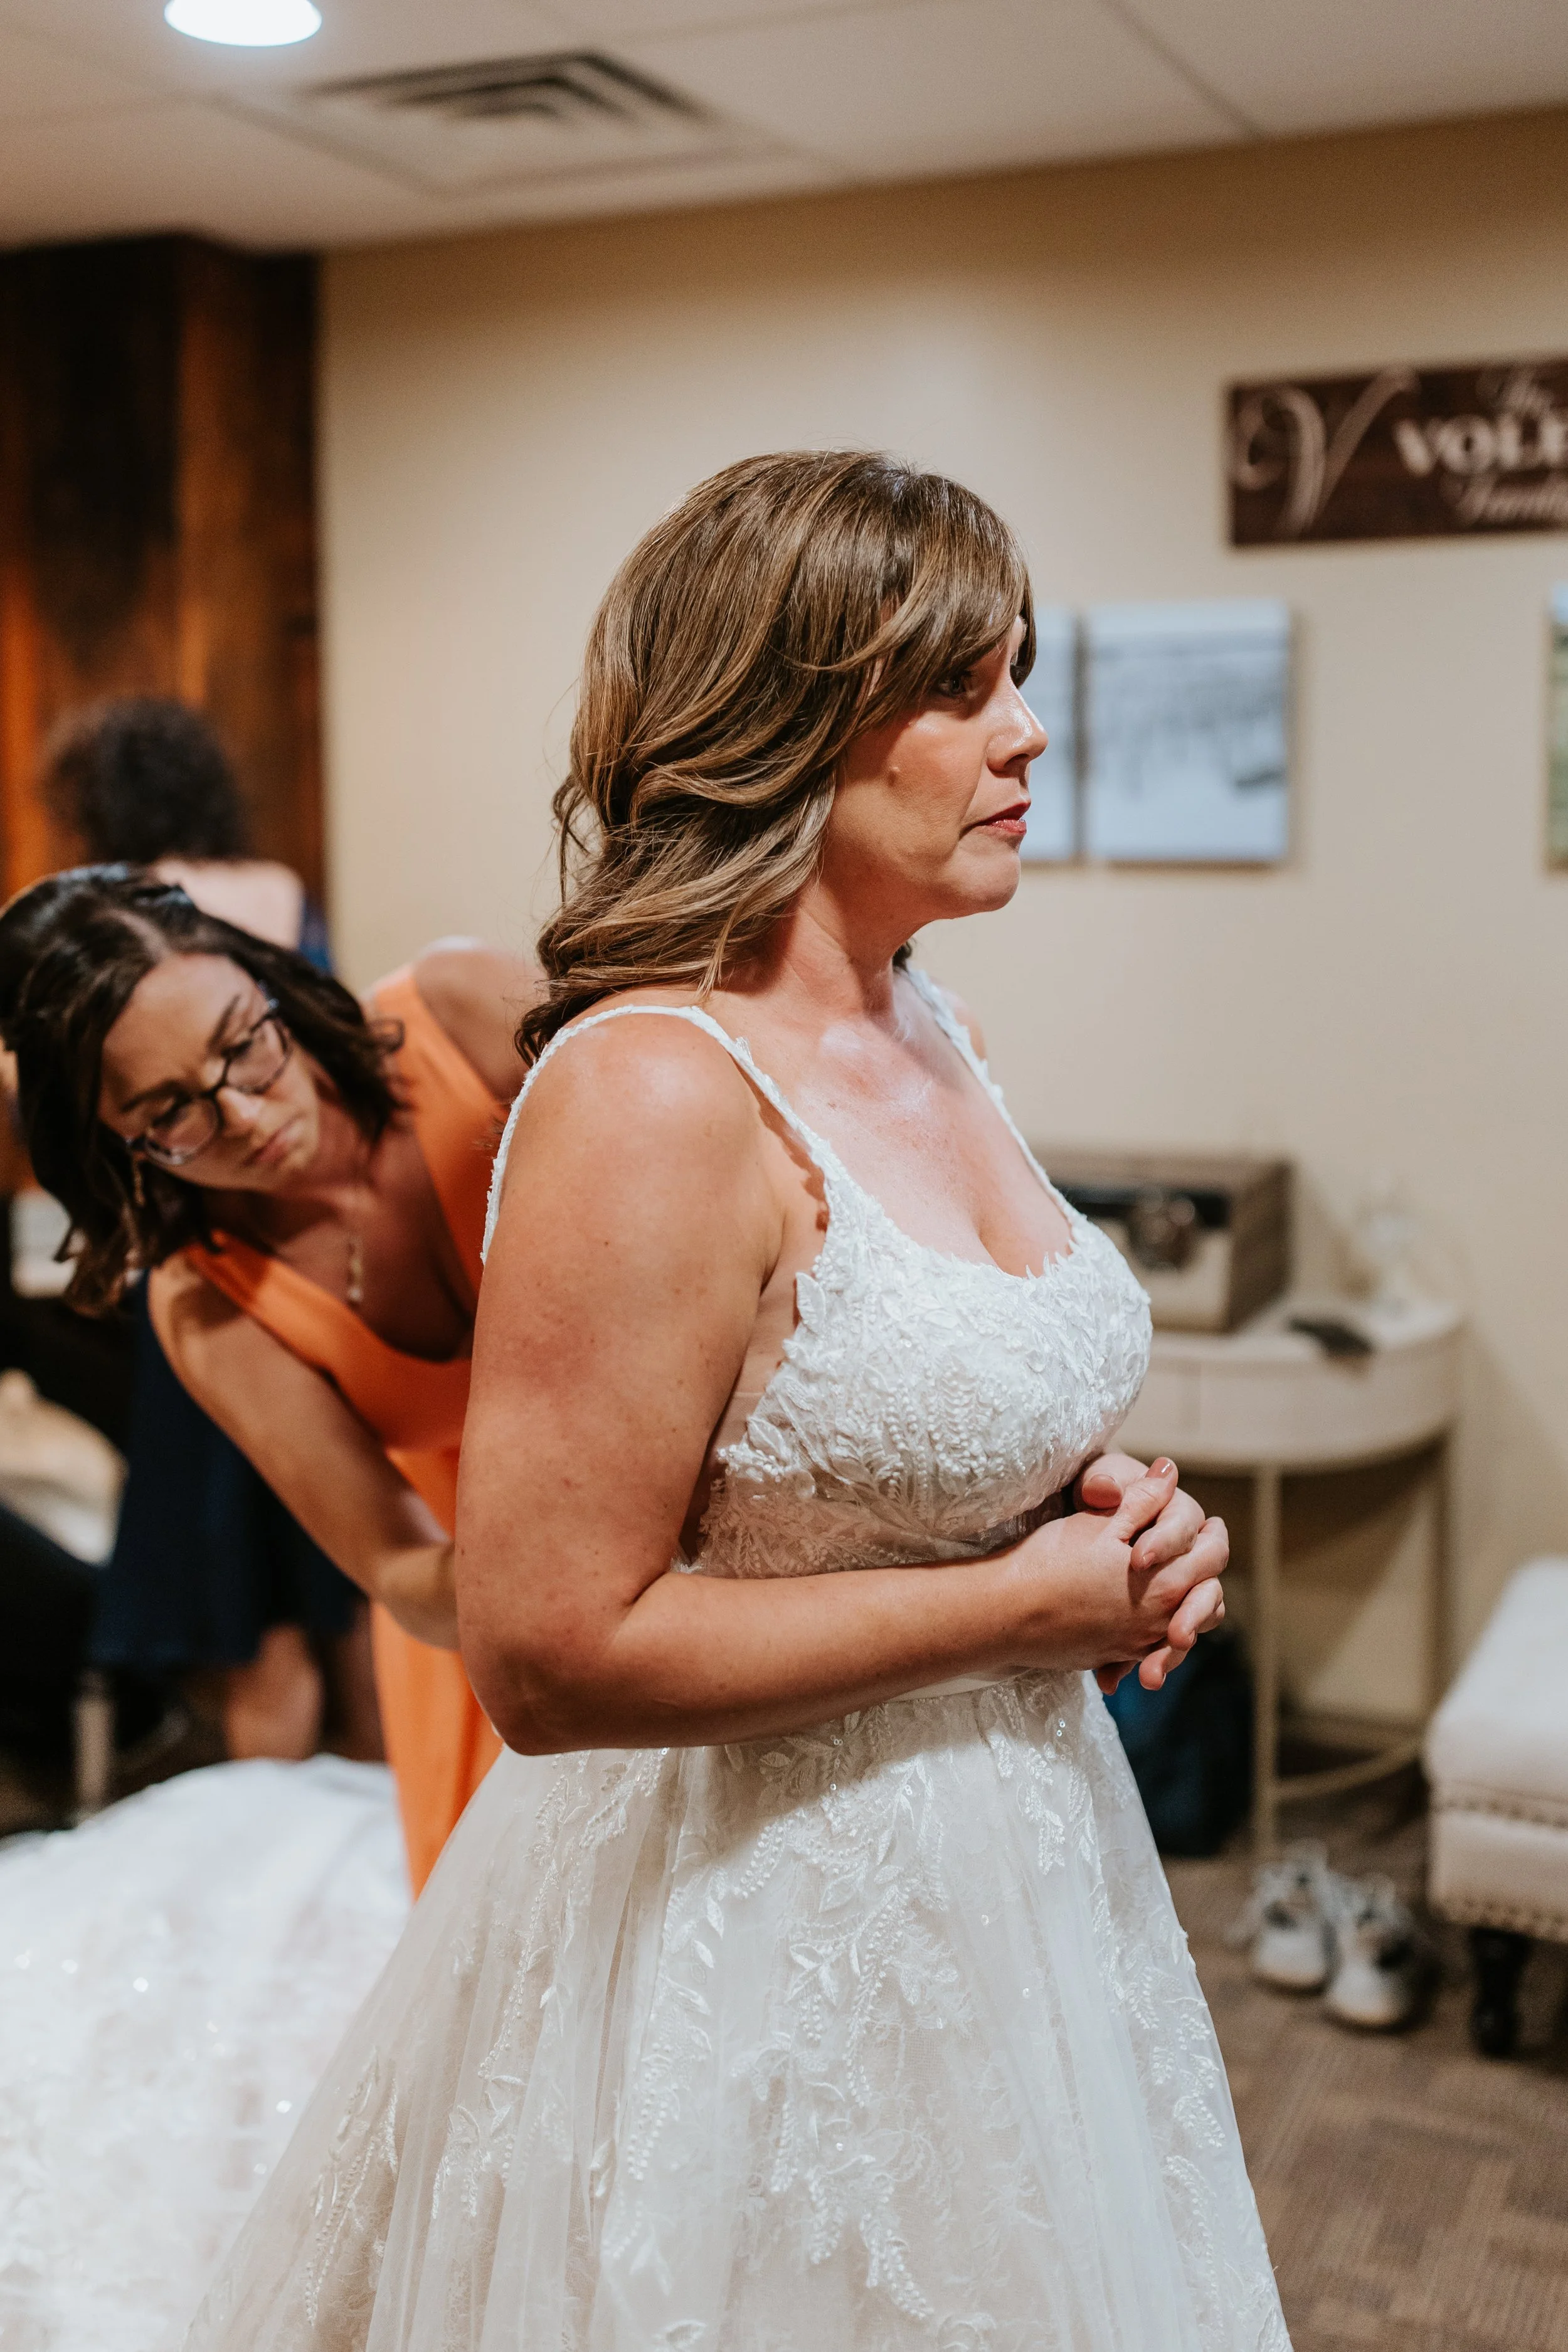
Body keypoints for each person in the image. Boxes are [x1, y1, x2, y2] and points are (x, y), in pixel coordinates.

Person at [187, 453, 1286, 2351]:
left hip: (1012, 1862)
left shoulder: (922, 1014)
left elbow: (878, 1401)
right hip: (762, 1907)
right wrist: (1029, 1607)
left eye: (1018, 670)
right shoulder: (652, 1089)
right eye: (960, 686)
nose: (1027, 733)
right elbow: (546, 1649)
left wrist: (1092, 1499)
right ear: (780, 726)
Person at [0, 868, 537, 1888]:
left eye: (244, 1042)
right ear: (118, 1148)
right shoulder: (208, 1303)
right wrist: (574, 1584)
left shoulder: (460, 1008)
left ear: (265, 979)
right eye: (172, 1112)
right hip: (482, 1618)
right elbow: (394, 1569)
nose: (245, 1113)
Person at [39, 696, 357, 1762]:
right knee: (337, 1561)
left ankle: (269, 1849)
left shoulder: (118, 918)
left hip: (208, 1253)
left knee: (242, 1592)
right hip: (312, 1249)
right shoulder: (277, 887)